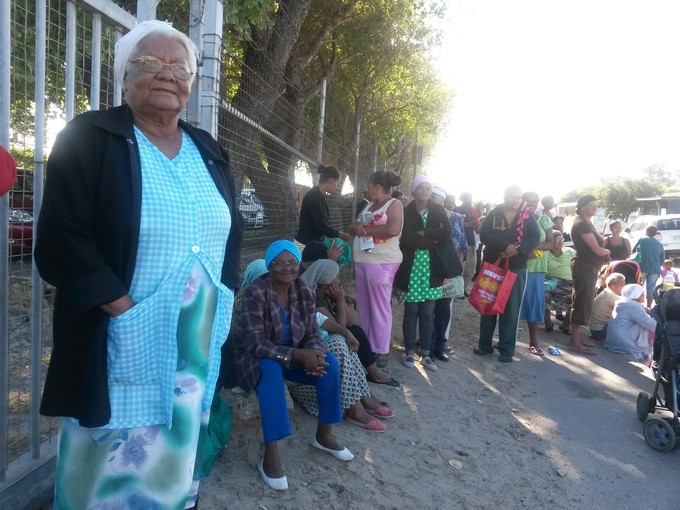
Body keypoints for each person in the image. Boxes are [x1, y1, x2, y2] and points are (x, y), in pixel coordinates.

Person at [33, 20, 244, 509]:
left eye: (180, 66)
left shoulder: (209, 149)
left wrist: (226, 294)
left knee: (174, 459)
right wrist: (123, 309)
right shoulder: (90, 137)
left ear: (192, 82)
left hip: (194, 346)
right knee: (105, 464)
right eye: (150, 62)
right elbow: (64, 236)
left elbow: (229, 233)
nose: (167, 73)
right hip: (118, 332)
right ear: (123, 76)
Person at [234, 241, 352, 491]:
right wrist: (298, 354)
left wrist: (316, 354)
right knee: (270, 368)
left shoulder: (304, 291)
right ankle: (271, 453)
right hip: (258, 358)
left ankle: (324, 434)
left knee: (329, 361)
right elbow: (254, 343)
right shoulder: (257, 292)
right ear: (269, 266)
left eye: (293, 263)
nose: (288, 268)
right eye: (281, 263)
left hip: (294, 357)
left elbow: (311, 332)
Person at [292, 259, 394, 431]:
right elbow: (339, 326)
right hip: (307, 366)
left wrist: (340, 299)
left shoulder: (324, 296)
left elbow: (349, 322)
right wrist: (340, 301)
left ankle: (362, 397)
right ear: (325, 279)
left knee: (349, 338)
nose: (338, 281)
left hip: (324, 351)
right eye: (335, 277)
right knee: (340, 341)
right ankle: (356, 408)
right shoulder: (312, 300)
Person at [473, 185, 540, 362]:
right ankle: (484, 345)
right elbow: (485, 234)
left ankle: (506, 350)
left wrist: (516, 249)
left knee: (511, 309)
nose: (516, 200)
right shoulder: (494, 213)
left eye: (519, 197)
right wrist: (505, 247)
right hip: (493, 267)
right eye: (512, 197)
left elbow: (535, 237)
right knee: (488, 305)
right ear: (504, 196)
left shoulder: (527, 215)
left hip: (516, 268)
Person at [394, 175, 452, 371]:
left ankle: (426, 354)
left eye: (428, 188)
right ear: (414, 190)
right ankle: (409, 351)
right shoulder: (405, 211)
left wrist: (425, 233)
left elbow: (446, 234)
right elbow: (406, 239)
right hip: (410, 268)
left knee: (427, 313)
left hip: (432, 270)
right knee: (411, 312)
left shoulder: (438, 210)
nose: (425, 191)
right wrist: (431, 241)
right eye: (421, 188)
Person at [349, 171, 404, 368]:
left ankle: (381, 350)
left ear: (377, 187)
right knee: (364, 306)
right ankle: (367, 347)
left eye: (369, 186)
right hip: (363, 261)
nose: (367, 189)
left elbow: (392, 229)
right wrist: (356, 226)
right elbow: (356, 227)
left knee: (380, 307)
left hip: (382, 262)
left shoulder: (393, 204)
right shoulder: (370, 205)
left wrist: (364, 229)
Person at [568, 195, 610, 355]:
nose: (595, 208)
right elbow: (597, 249)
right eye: (592, 205)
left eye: (596, 205)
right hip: (585, 267)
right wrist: (607, 251)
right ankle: (575, 342)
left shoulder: (586, 222)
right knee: (581, 302)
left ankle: (576, 339)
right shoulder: (581, 224)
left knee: (583, 302)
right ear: (583, 206)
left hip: (589, 267)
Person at [519, 192, 554, 356]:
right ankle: (508, 339)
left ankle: (533, 341)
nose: (532, 205)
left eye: (535, 202)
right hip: (516, 265)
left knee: (533, 303)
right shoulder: (517, 218)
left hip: (536, 269)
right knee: (512, 303)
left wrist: (533, 247)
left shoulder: (544, 220)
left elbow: (551, 243)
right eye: (528, 202)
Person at [429, 185, 458, 361]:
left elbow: (460, 244)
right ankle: (426, 346)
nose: (435, 201)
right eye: (433, 197)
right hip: (427, 267)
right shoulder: (421, 216)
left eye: (437, 198)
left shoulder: (454, 218)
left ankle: (439, 346)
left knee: (443, 308)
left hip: (446, 268)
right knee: (427, 309)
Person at [296, 164, 350, 244]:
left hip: (311, 242)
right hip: (306, 244)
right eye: (337, 183)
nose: (336, 187)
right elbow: (320, 224)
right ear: (331, 180)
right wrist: (338, 234)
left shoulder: (319, 195)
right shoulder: (314, 195)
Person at [604, 284, 656, 366]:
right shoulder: (633, 306)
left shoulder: (624, 302)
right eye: (642, 294)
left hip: (613, 341)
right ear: (636, 295)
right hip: (623, 345)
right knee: (654, 331)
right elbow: (652, 326)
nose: (644, 295)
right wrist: (654, 315)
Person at [543, 230, 576, 332]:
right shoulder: (545, 253)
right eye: (556, 239)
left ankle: (566, 323)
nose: (560, 241)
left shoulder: (570, 251)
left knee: (577, 297)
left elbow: (578, 263)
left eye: (561, 239)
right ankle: (548, 322)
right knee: (545, 294)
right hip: (551, 283)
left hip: (569, 284)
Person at [454, 191, 481, 295]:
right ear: (463, 199)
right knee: (460, 268)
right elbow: (458, 225)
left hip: (471, 242)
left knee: (470, 269)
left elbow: (477, 227)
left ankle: (463, 289)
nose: (470, 201)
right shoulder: (457, 210)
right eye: (468, 198)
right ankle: (458, 289)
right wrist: (471, 223)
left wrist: (477, 225)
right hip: (460, 243)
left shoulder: (472, 210)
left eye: (470, 199)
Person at [633, 225, 665, 307]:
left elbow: (633, 251)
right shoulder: (659, 244)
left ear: (646, 231)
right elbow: (662, 260)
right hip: (655, 268)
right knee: (651, 289)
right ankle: (649, 307)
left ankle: (637, 307)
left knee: (638, 287)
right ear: (655, 234)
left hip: (642, 267)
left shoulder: (642, 240)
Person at [589, 272, 626, 340]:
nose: (623, 286)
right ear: (612, 284)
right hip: (599, 330)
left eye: (624, 283)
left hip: (596, 329)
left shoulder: (607, 293)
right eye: (621, 284)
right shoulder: (609, 295)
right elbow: (626, 307)